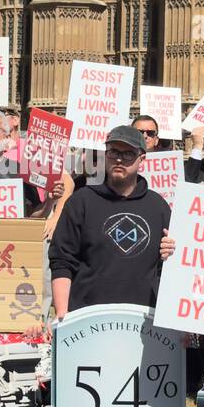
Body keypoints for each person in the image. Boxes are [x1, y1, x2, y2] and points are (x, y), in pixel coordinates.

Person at [49, 124, 174, 317]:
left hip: (143, 320)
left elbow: (172, 269)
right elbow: (62, 261)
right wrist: (62, 314)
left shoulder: (158, 206)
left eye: (128, 154)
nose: (119, 159)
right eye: (113, 152)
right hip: (87, 316)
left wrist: (171, 252)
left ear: (142, 158)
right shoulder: (81, 201)